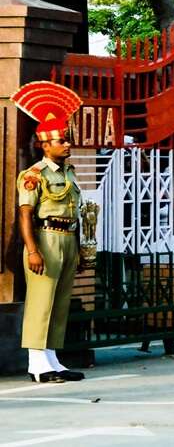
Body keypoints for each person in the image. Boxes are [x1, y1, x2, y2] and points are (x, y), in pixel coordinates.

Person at [11, 81, 87, 383]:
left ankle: (53, 359)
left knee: (60, 301)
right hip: (45, 238)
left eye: (66, 140)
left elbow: (76, 213)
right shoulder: (33, 175)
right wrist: (32, 249)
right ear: (45, 145)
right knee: (41, 300)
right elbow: (25, 215)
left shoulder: (68, 172)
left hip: (68, 238)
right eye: (60, 141)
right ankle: (37, 363)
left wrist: (80, 247)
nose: (66, 145)